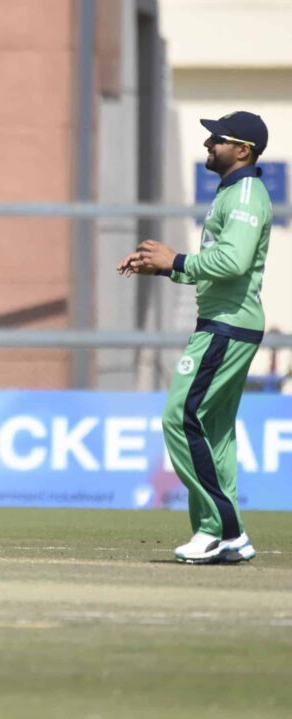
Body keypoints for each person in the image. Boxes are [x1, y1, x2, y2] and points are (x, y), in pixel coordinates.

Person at [118, 110, 271, 564]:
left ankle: (227, 530)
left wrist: (177, 261)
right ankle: (215, 531)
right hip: (225, 322)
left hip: (228, 325)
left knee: (180, 417)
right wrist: (165, 268)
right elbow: (218, 265)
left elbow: (234, 262)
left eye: (217, 139)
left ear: (242, 150)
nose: (208, 144)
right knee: (214, 434)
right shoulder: (231, 192)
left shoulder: (246, 194)